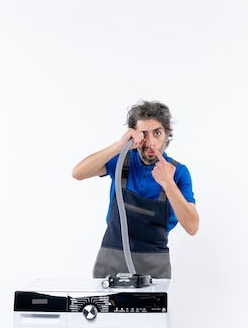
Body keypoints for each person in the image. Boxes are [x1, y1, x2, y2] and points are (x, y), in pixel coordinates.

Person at [72, 100, 199, 279]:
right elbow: (78, 173)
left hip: (154, 265)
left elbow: (192, 226)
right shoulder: (122, 159)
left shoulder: (178, 172)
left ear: (167, 134)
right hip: (111, 259)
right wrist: (118, 146)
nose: (151, 142)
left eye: (157, 133)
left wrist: (168, 184)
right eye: (143, 134)